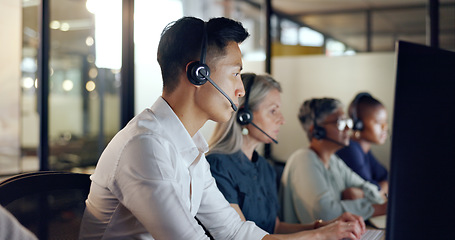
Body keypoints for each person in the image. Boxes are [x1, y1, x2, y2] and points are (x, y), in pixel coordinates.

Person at [79, 16, 275, 239]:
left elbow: (234, 231)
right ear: (199, 74)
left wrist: (319, 235)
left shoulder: (192, 150)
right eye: (235, 74)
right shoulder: (144, 146)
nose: (241, 90)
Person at [207, 73, 366, 240]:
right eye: (273, 111)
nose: (282, 120)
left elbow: (274, 227)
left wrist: (325, 226)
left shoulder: (264, 167)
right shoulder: (217, 166)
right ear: (244, 115)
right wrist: (320, 235)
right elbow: (241, 237)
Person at [280, 98, 387, 225]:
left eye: (347, 121)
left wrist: (364, 197)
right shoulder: (303, 160)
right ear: (316, 130)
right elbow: (326, 215)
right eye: (340, 123)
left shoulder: (334, 162)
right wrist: (377, 208)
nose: (348, 127)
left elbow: (374, 192)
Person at [336, 92, 388, 195]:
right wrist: (382, 188)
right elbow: (371, 192)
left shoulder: (364, 149)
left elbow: (386, 177)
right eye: (378, 122)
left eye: (386, 122)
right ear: (358, 124)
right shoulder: (350, 150)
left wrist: (382, 187)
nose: (385, 128)